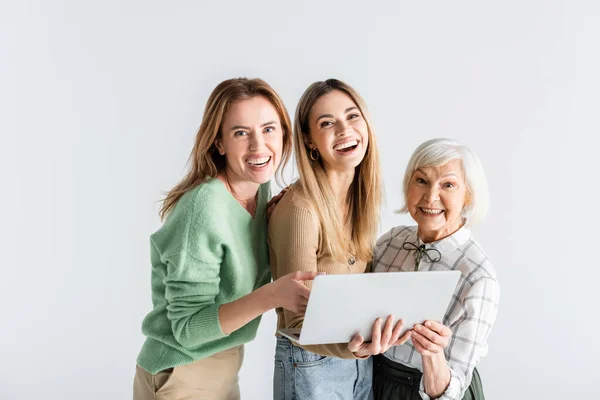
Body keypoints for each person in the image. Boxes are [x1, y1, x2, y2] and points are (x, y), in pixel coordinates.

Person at [133, 78, 319, 400]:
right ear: (219, 143)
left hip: (226, 363)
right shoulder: (201, 208)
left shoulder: (259, 190)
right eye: (240, 133)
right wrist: (272, 295)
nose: (258, 146)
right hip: (182, 369)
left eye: (269, 129)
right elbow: (187, 329)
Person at [268, 79, 411, 400]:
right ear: (309, 142)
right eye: (327, 123)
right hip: (312, 364)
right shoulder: (300, 208)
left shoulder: (362, 198)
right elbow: (297, 321)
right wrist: (356, 348)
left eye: (352, 116)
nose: (345, 130)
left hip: (360, 360)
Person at [372, 138, 500, 400]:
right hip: (378, 383)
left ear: (468, 196)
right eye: (421, 181)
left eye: (448, 185)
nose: (431, 197)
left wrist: (432, 353)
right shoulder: (389, 243)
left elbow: (450, 393)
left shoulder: (478, 277)